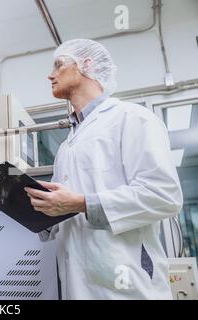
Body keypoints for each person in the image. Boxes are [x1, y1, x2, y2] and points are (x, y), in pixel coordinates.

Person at [24, 39, 183, 300]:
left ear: (87, 64)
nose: (50, 75)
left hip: (128, 287)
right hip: (77, 287)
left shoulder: (132, 119)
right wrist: (43, 213)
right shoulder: (67, 146)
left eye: (59, 64)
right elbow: (67, 213)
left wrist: (80, 203)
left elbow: (164, 196)